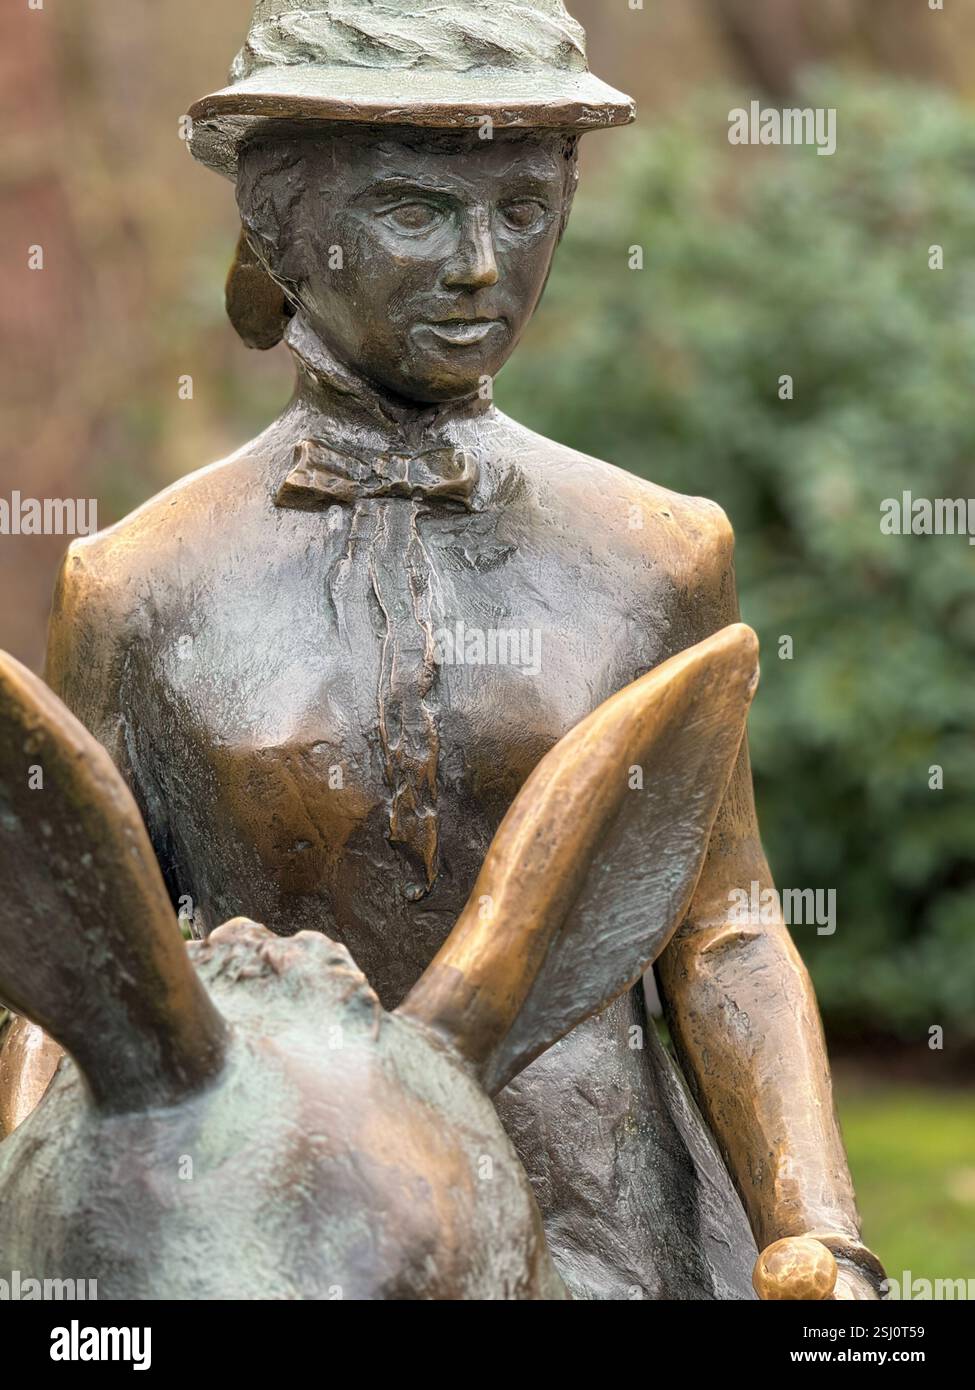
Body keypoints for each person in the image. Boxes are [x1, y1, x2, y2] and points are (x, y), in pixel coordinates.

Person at [32, 0, 884, 1299]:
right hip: (293, 1236)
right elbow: (82, 976)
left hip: (607, 1229)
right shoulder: (139, 585)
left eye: (526, 208)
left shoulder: (657, 552)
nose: (485, 266)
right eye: (421, 211)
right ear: (280, 223)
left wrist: (816, 1222)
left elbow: (727, 928)